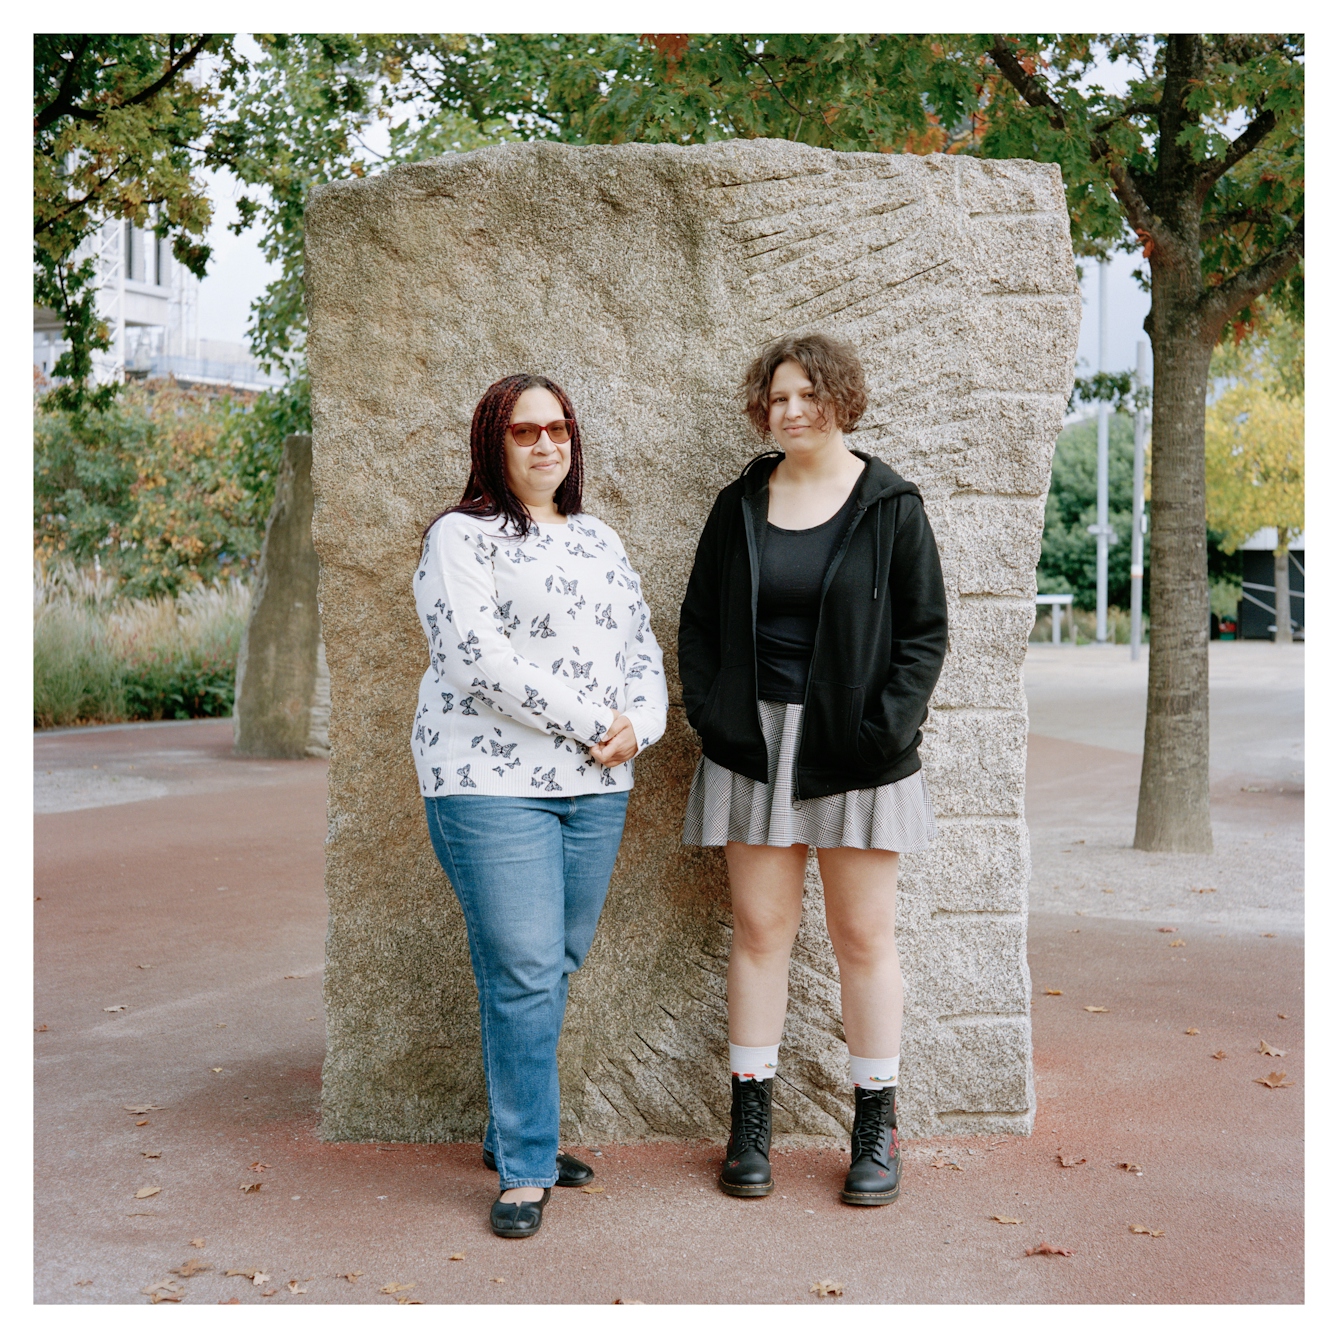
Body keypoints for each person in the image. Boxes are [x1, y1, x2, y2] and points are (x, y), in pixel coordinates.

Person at [679, 333, 947, 1207]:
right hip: (752, 747)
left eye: (806, 396)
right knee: (762, 934)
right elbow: (699, 624)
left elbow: (923, 634)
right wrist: (716, 716)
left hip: (856, 749)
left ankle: (876, 1125)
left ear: (840, 398)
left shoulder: (889, 503)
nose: (790, 412)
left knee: (864, 939)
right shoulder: (741, 502)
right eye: (777, 399)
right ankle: (749, 1122)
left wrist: (882, 730)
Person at [413, 373, 667, 1238]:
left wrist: (646, 725)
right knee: (524, 968)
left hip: (597, 786)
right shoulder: (460, 538)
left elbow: (641, 647)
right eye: (526, 432)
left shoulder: (599, 539)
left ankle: (508, 1128)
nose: (546, 444)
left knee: (551, 963)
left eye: (558, 428)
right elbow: (475, 661)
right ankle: (526, 1167)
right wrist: (600, 721)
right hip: (488, 786)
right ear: (495, 442)